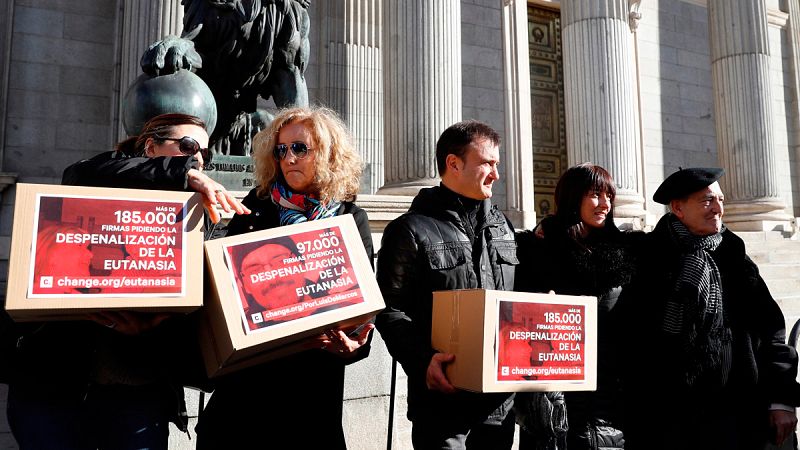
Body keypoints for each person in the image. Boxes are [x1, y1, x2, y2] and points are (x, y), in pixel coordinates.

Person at [6, 113, 249, 450]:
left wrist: (151, 329)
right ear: (150, 147)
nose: (198, 158)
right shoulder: (103, 174)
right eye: (188, 146)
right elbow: (78, 174)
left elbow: (198, 311)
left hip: (136, 395)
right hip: (53, 389)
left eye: (205, 153)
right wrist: (180, 173)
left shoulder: (196, 218)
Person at [195, 106, 375, 449]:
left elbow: (361, 304)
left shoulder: (351, 218)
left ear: (327, 153)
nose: (289, 157)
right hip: (248, 388)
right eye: (281, 150)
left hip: (311, 390)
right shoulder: (255, 206)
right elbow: (227, 287)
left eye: (300, 148)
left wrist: (352, 346)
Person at [617, 167, 800, 450]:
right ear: (677, 207)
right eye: (706, 201)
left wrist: (782, 399)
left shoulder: (734, 256)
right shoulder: (647, 257)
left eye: (721, 200)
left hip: (737, 413)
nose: (718, 209)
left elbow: (771, 329)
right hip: (669, 419)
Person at [375, 120, 519, 449]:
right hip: (441, 406)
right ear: (453, 163)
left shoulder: (504, 228)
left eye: (497, 164)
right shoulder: (410, 230)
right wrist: (423, 360)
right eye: (487, 163)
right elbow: (389, 309)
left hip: (500, 407)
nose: (496, 174)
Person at [515, 163, 637, 450]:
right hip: (552, 394)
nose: (605, 204)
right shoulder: (538, 251)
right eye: (595, 194)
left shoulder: (627, 252)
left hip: (608, 396)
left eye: (609, 196)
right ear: (572, 196)